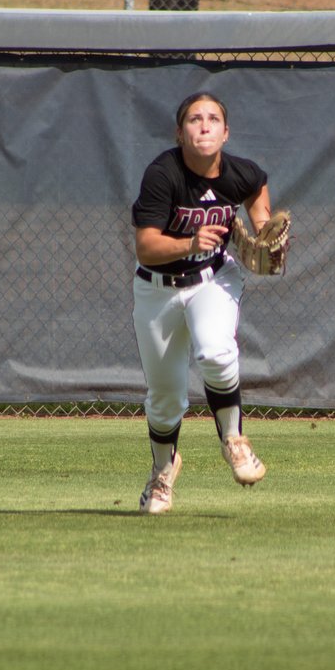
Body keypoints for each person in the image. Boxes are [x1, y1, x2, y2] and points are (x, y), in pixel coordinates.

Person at [131, 91, 271, 515]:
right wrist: (189, 241)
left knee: (215, 349)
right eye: (194, 119)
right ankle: (162, 472)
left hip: (213, 278)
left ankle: (235, 440)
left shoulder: (240, 172)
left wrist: (262, 227)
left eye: (213, 119)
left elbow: (257, 190)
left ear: (226, 133)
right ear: (180, 133)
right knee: (166, 399)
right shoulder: (162, 174)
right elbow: (145, 248)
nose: (204, 125)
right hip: (158, 287)